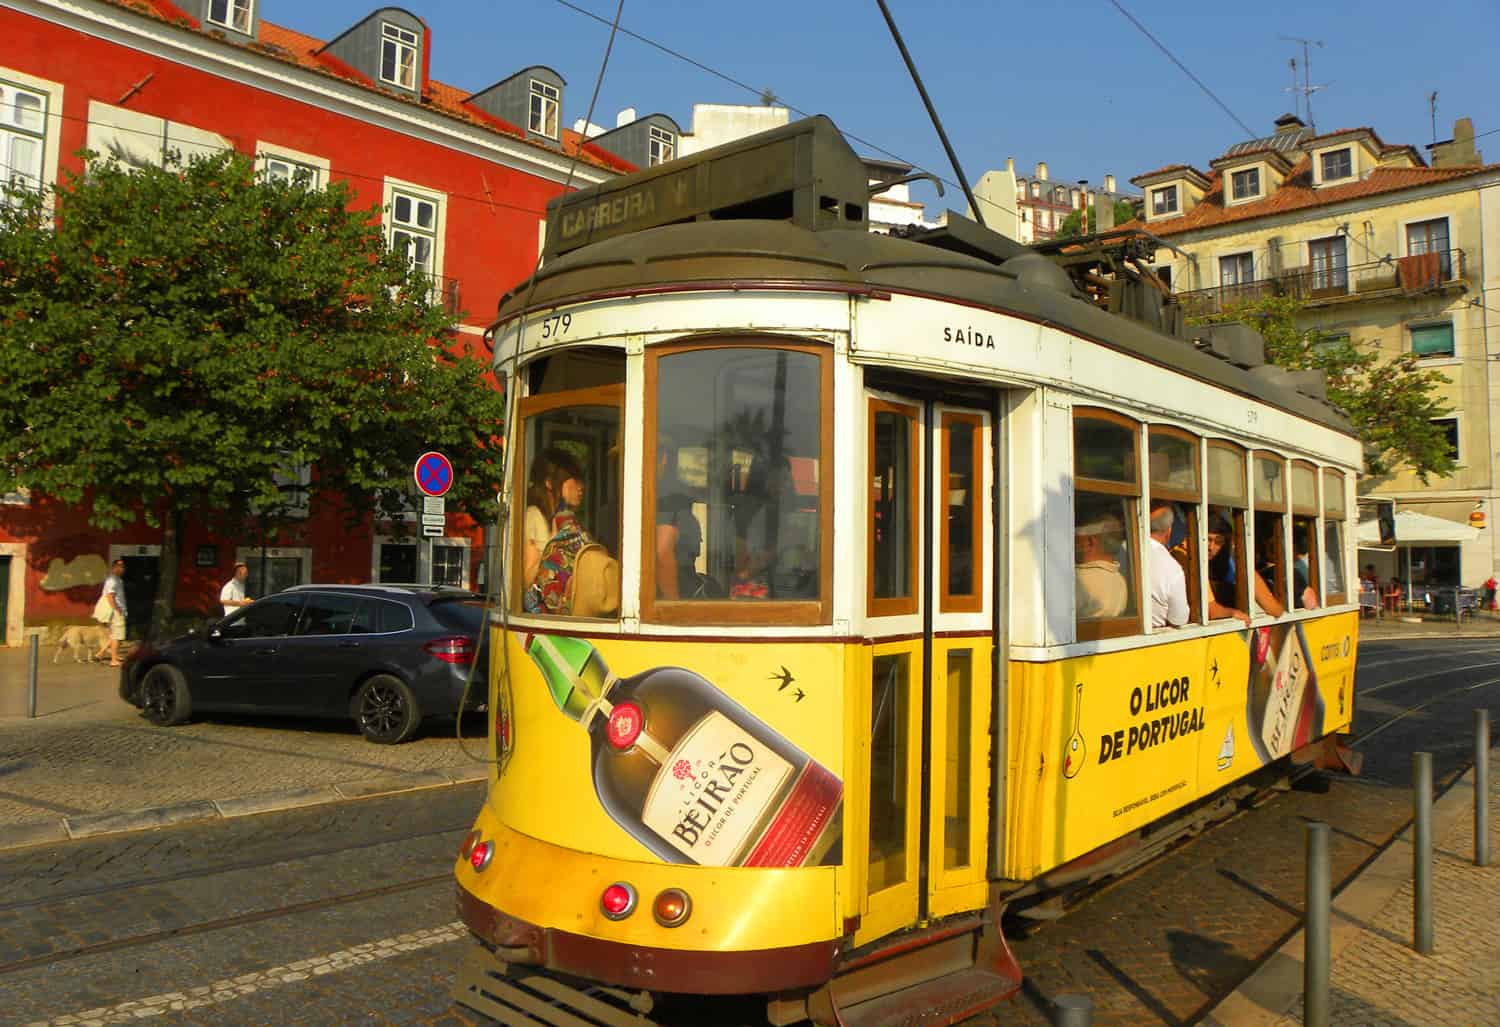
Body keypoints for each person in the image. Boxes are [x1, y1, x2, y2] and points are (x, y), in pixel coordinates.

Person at [523, 448, 584, 589]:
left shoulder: (557, 518)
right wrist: (552, 544)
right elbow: (527, 579)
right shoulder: (534, 516)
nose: (581, 487)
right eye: (573, 479)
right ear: (549, 483)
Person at [654, 438, 705, 599]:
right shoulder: (670, 502)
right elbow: (662, 552)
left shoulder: (617, 502)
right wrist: (673, 605)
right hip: (670, 597)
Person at [1075, 514, 1128, 619]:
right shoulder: (1120, 580)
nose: (1073, 544)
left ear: (1090, 542)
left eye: (1076, 539)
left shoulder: (1077, 579)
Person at [1147, 502, 1189, 628]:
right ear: (1169, 531)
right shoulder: (1172, 568)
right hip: (1155, 638)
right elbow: (1179, 619)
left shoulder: (1120, 550)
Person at [93, 558, 127, 666]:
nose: (122, 568)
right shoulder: (112, 580)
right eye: (120, 566)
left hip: (117, 610)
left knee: (114, 635)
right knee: (117, 636)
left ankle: (101, 653)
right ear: (114, 567)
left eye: (123, 566)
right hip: (115, 611)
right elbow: (110, 596)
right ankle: (113, 660)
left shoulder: (117, 579)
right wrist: (117, 609)